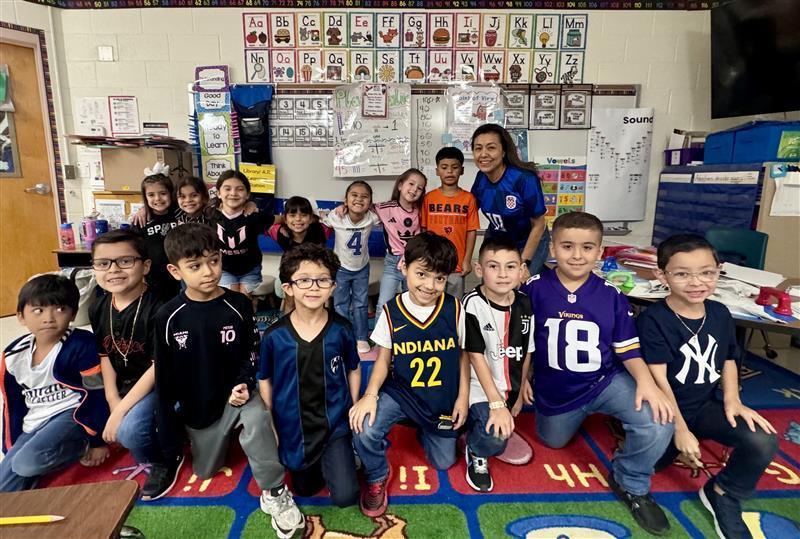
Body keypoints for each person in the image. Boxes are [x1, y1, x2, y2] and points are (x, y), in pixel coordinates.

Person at [519, 212, 675, 536]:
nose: (577, 255)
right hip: (557, 390)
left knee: (659, 418)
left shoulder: (611, 295)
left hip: (605, 380)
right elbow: (520, 343)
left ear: (600, 251)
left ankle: (630, 481)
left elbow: (628, 347)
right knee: (553, 441)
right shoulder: (533, 289)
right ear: (552, 249)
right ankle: (592, 418)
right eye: (567, 246)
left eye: (587, 247)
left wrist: (646, 382)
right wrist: (522, 380)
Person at [150, 223, 303, 537]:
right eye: (195, 266)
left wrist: (243, 383)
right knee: (206, 469)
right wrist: (169, 443)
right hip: (199, 405)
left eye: (214, 261)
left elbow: (252, 352)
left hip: (238, 393)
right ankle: (214, 437)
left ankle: (274, 492)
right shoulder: (167, 316)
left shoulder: (240, 304)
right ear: (175, 271)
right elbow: (165, 381)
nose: (208, 271)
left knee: (258, 417)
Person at [639, 234, 778, 539]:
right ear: (662, 275)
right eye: (682, 273)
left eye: (706, 272)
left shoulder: (719, 313)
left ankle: (723, 494)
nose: (696, 282)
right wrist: (680, 429)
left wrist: (733, 400)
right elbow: (657, 379)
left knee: (763, 439)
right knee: (647, 468)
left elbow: (729, 356)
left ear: (719, 271)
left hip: (703, 406)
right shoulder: (654, 320)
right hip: (663, 411)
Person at [350, 232, 469, 518]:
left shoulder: (455, 308)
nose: (430, 285)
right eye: (422, 274)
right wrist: (369, 396)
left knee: (443, 462)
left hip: (441, 396)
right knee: (363, 428)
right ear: (404, 266)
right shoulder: (392, 310)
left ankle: (425, 427)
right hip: (401, 392)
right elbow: (382, 359)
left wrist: (463, 398)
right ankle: (377, 475)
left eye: (439, 278)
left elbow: (464, 355)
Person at [258, 243, 361, 507]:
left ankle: (346, 453)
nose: (314, 287)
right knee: (305, 489)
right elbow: (265, 378)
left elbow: (353, 367)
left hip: (334, 423)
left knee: (346, 496)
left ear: (333, 286)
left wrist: (353, 405)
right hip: (294, 425)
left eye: (322, 280)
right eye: (304, 280)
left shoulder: (342, 329)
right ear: (288, 288)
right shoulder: (274, 336)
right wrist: (270, 421)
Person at [1, 275, 109, 491]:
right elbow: (11, 406)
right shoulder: (12, 356)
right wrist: (10, 448)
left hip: (73, 414)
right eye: (38, 310)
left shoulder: (81, 344)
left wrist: (97, 441)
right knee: (5, 486)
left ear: (73, 314)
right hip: (35, 421)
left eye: (59, 309)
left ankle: (80, 445)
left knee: (26, 463)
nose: (49, 318)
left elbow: (97, 394)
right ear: (21, 316)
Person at [461, 236, 533, 492]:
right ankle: (476, 450)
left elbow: (526, 351)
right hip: (479, 389)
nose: (503, 274)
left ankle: (479, 423)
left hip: (509, 386)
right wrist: (496, 403)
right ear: (479, 269)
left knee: (504, 423)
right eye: (493, 266)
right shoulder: (472, 304)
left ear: (522, 270)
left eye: (511, 266)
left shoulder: (525, 303)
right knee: (496, 438)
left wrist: (521, 390)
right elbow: (475, 355)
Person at [89, 230, 162, 477]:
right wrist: (112, 400)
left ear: (146, 266)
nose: (113, 270)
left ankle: (163, 460)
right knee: (84, 417)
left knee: (129, 431)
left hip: (159, 384)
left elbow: (158, 367)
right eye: (103, 263)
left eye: (125, 261)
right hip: (122, 383)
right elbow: (104, 354)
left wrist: (120, 411)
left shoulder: (160, 308)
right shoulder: (98, 306)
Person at [470, 124, 550, 278]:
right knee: (491, 285)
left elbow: (539, 224)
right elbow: (469, 211)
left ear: (503, 151)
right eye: (478, 148)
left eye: (491, 148)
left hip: (529, 239)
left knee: (519, 283)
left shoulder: (524, 179)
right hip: (498, 239)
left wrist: (523, 261)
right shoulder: (480, 178)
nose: (483, 154)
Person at [323, 181, 381, 354]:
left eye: (364, 197)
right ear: (346, 200)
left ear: (370, 202)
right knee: (340, 304)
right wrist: (342, 207)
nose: (359, 199)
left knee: (361, 304)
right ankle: (343, 336)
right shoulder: (336, 216)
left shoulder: (372, 217)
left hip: (362, 267)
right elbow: (319, 219)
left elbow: (386, 209)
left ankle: (361, 337)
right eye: (354, 195)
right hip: (341, 267)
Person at [422, 147, 479, 298]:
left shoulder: (469, 199)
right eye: (444, 167)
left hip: (457, 265)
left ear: (462, 170)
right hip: (433, 263)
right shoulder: (428, 198)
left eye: (454, 167)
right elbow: (423, 231)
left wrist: (467, 260)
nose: (449, 172)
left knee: (455, 304)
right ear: (437, 170)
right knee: (432, 302)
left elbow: (471, 231)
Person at [210, 170, 275, 300]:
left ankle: (248, 319)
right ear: (218, 193)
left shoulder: (254, 216)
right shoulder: (211, 215)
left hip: (250, 269)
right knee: (232, 300)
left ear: (247, 194)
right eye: (227, 189)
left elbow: (279, 219)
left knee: (244, 301)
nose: (233, 193)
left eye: (239, 189)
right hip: (224, 269)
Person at [374, 168, 426, 315]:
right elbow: (361, 209)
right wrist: (343, 207)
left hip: (414, 262)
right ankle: (379, 338)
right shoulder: (385, 208)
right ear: (400, 185)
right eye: (411, 184)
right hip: (392, 263)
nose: (414, 189)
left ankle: (408, 336)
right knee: (384, 304)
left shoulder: (421, 211)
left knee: (412, 304)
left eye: (419, 188)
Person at [267, 196, 332, 311]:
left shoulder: (321, 230)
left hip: (313, 276)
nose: (298, 219)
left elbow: (336, 219)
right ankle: (288, 328)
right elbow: (263, 221)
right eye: (292, 215)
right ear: (285, 219)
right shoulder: (279, 232)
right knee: (291, 304)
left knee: (315, 306)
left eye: (303, 215)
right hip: (290, 273)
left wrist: (320, 216)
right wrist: (282, 220)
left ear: (311, 218)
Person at [131, 170, 180, 303]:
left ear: (171, 194)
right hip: (154, 277)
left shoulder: (180, 212)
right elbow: (134, 249)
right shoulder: (141, 220)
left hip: (181, 273)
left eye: (163, 193)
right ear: (145, 197)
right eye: (151, 195)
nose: (157, 199)